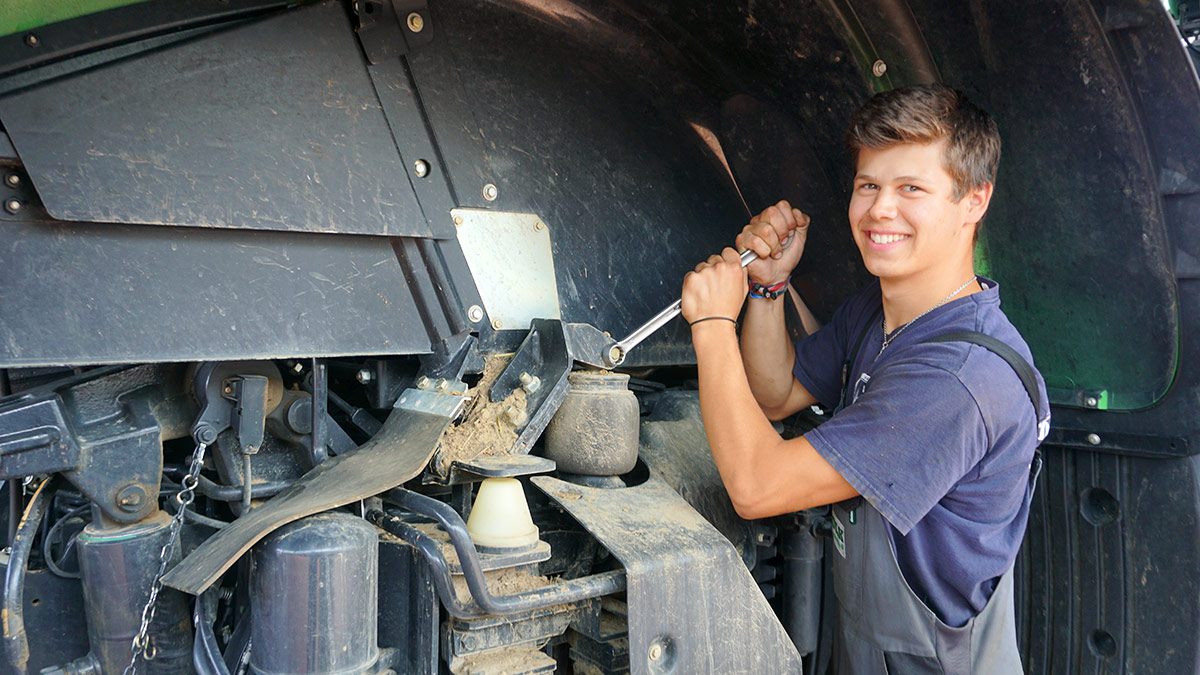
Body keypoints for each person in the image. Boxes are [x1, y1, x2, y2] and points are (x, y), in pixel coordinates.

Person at [679, 84, 1050, 673]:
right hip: (871, 649)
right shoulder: (878, 313)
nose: (881, 208)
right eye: (869, 185)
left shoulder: (957, 380)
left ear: (974, 201)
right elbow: (775, 394)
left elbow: (755, 486)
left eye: (911, 189)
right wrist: (768, 288)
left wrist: (714, 325)